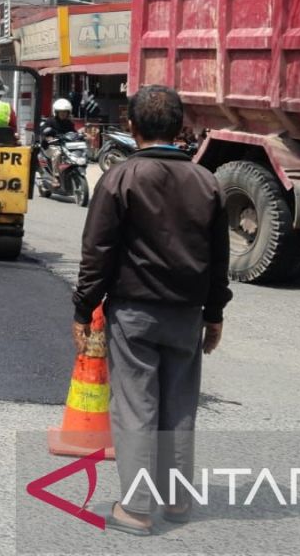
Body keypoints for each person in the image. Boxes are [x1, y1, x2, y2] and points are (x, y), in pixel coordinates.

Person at [72, 85, 231, 537]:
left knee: (136, 407)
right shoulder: (208, 182)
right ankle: (177, 501)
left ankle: (137, 508)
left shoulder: (121, 177)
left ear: (131, 125)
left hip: (134, 314)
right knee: (180, 408)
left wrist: (84, 309)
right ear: (181, 128)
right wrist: (214, 313)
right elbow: (220, 259)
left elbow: (97, 252)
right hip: (186, 314)